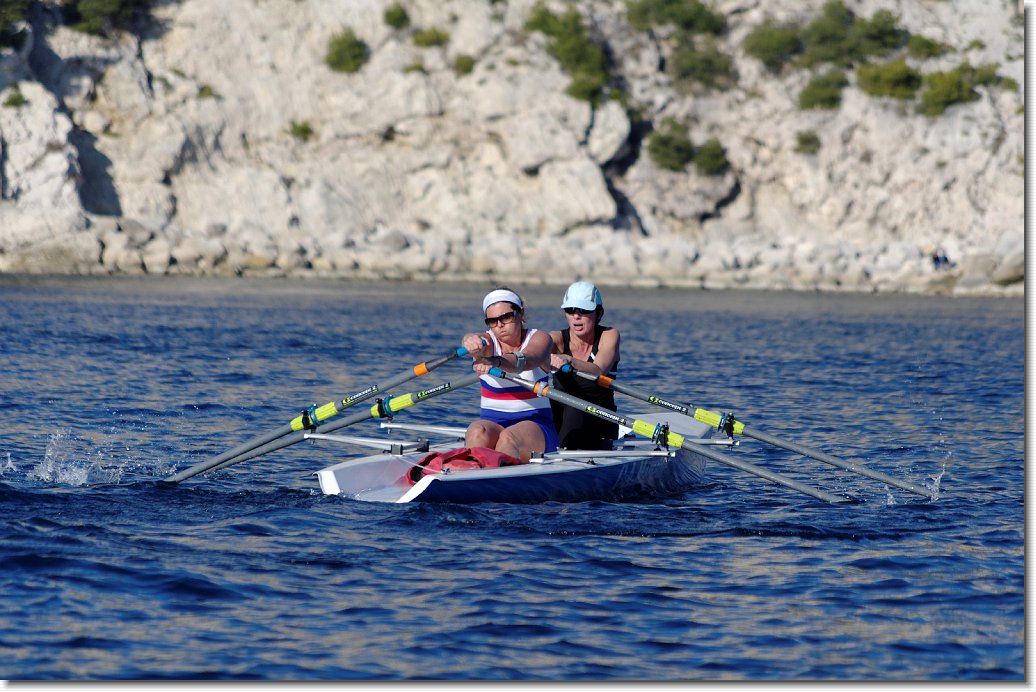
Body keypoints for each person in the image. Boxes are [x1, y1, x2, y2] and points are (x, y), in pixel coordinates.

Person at [460, 287, 560, 462]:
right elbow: (476, 340)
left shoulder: (540, 338)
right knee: (476, 432)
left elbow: (527, 360)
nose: (499, 325)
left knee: (508, 438)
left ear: (521, 313)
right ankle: (471, 471)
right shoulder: (488, 343)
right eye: (492, 321)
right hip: (492, 424)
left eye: (505, 317)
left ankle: (496, 472)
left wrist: (496, 362)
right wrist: (469, 341)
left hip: (536, 426)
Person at [548, 281, 621, 450]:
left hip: (599, 417)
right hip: (562, 414)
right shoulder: (555, 339)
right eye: (570, 310)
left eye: (584, 310)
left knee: (575, 409)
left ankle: (562, 454)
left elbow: (599, 369)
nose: (576, 316)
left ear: (599, 313)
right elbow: (534, 349)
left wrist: (568, 359)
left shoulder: (609, 335)